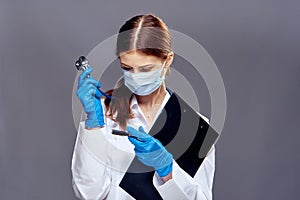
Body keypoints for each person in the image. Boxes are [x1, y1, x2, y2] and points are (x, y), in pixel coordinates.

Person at [71, 14, 216, 200]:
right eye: (127, 68)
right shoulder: (106, 114)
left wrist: (168, 170)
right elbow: (88, 194)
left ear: (168, 60)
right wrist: (93, 126)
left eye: (146, 69)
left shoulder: (194, 127)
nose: (135, 76)